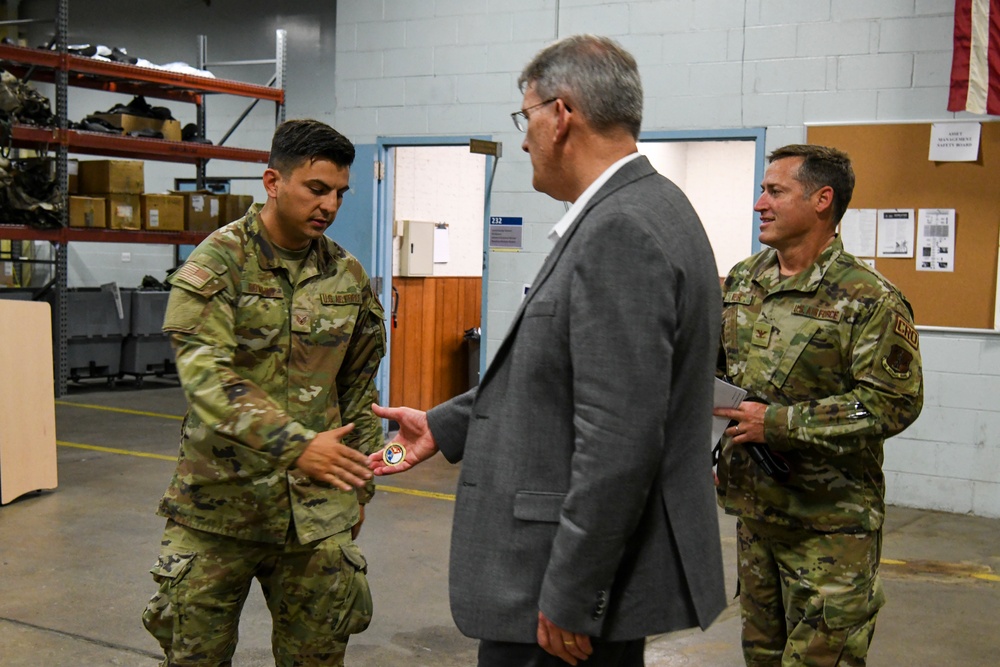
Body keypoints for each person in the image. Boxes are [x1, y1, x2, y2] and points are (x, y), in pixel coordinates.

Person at [369, 34, 726, 667]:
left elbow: (619, 439)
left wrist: (571, 593)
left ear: (561, 116)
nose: (525, 140)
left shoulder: (621, 228)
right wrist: (446, 425)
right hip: (572, 583)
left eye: (526, 117)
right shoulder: (650, 208)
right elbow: (559, 371)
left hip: (556, 598)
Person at [142, 119, 386, 667]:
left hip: (316, 514)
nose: (329, 205)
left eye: (340, 193)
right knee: (194, 656)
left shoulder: (345, 275)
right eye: (316, 188)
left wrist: (360, 483)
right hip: (218, 510)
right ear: (273, 181)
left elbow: (357, 385)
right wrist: (300, 444)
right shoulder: (217, 263)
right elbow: (208, 380)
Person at [713, 144, 923, 666]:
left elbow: (892, 403)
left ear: (822, 200)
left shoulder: (869, 298)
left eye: (775, 191)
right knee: (762, 656)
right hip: (756, 517)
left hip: (831, 529)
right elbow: (719, 375)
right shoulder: (744, 280)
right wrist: (714, 447)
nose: (760, 203)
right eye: (762, 190)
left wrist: (779, 424)